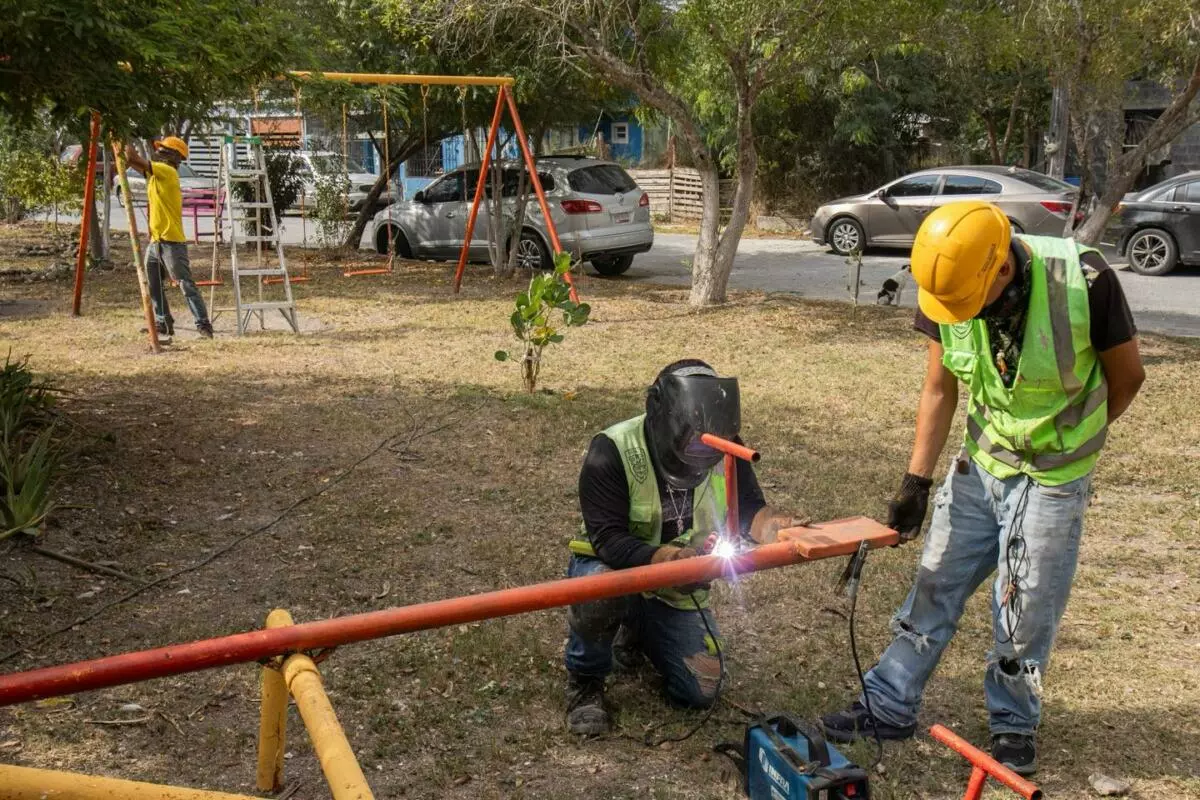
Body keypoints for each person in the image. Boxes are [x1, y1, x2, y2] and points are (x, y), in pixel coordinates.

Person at [821, 202, 1145, 775]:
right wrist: (914, 481)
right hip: (983, 462)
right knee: (935, 582)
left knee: (1024, 606)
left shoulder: (1087, 280)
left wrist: (1070, 442)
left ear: (1001, 269)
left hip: (1054, 476)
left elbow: (1127, 378)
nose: (954, 314)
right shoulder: (949, 285)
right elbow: (940, 387)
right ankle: (889, 703)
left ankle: (1014, 725)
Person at [564, 359, 804, 736]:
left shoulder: (725, 447)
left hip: (677, 584)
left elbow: (751, 510)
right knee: (602, 593)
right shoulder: (612, 449)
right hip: (616, 569)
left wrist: (778, 529)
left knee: (701, 690)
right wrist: (670, 561)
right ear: (658, 411)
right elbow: (608, 540)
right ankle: (587, 681)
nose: (699, 456)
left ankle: (640, 631)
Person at [124, 137, 213, 340]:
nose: (158, 151)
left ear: (173, 156)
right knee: (153, 283)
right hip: (157, 240)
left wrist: (122, 133)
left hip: (172, 242)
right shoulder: (155, 173)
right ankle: (163, 322)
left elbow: (131, 157)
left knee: (185, 283)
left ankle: (204, 326)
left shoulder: (167, 171)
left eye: (163, 149)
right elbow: (131, 161)